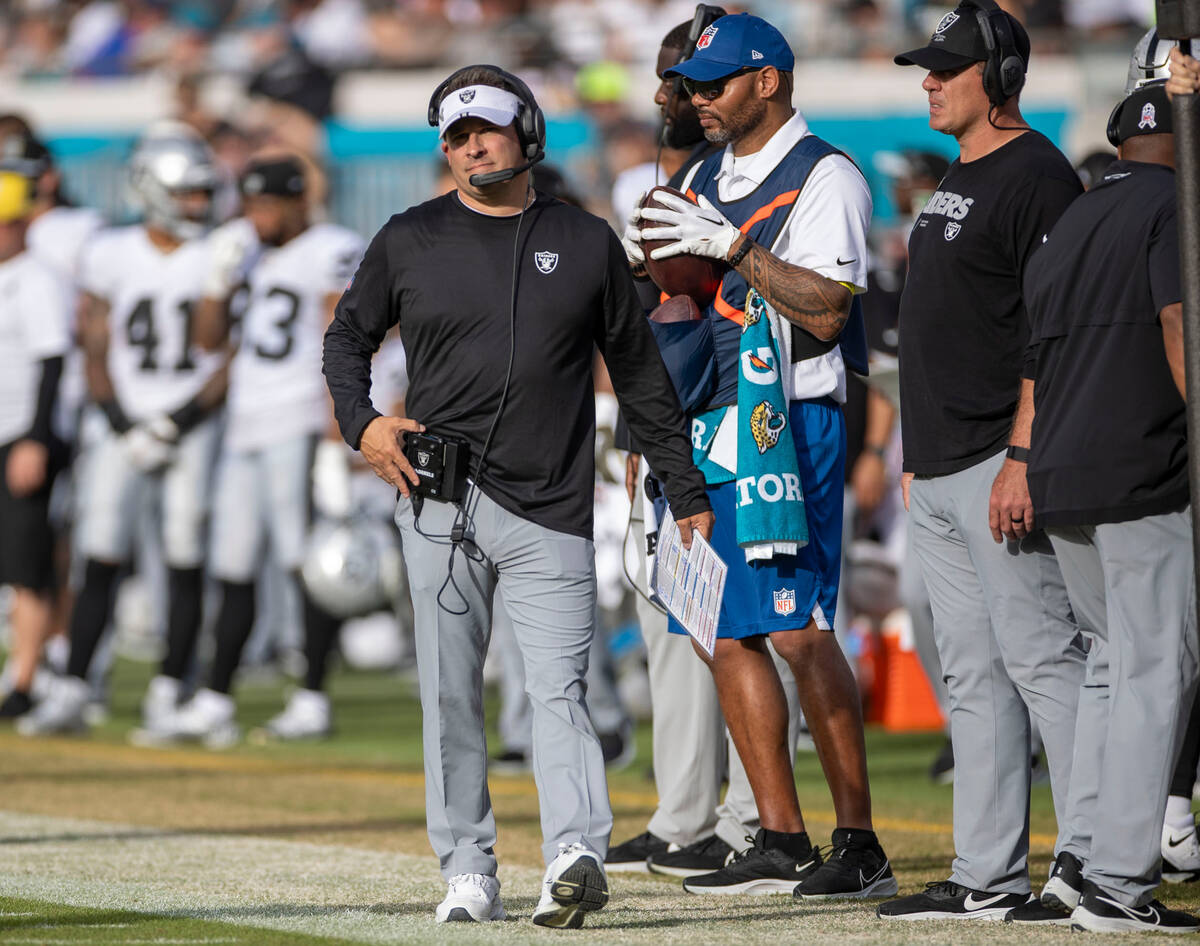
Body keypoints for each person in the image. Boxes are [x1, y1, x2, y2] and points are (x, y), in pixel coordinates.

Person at [322, 65, 712, 928]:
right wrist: (364, 426)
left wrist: (683, 487)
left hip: (553, 504)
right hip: (436, 504)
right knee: (451, 694)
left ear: (528, 132)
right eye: (456, 136)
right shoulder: (407, 236)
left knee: (560, 689)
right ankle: (467, 865)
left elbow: (641, 371)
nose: (471, 146)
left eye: (487, 129)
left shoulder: (584, 239)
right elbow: (346, 340)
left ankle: (575, 852)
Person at [631, 12, 895, 899]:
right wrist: (655, 260)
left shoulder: (825, 175)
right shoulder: (704, 168)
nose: (697, 98)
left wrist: (733, 246)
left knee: (793, 625)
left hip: (787, 419)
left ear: (768, 82)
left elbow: (826, 310)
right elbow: (679, 291)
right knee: (719, 626)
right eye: (692, 84)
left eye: (715, 84)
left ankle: (858, 838)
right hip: (708, 416)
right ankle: (779, 835)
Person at [877, 0, 1089, 921]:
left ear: (997, 78)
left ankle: (1094, 863)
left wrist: (1023, 451)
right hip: (941, 463)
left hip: (999, 457)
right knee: (970, 675)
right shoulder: (965, 174)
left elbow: (1056, 329)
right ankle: (988, 873)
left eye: (946, 67)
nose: (927, 79)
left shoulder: (1038, 175)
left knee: (1046, 661)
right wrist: (921, 457)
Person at [607, 8, 807, 883]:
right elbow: (654, 326)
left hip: (745, 423)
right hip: (680, 422)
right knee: (679, 625)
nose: (670, 93)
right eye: (669, 78)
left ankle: (742, 818)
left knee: (754, 622)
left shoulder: (747, 178)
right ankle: (688, 811)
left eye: (687, 79)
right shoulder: (692, 178)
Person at [1019, 39, 1200, 932]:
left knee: (1108, 671)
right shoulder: (1177, 206)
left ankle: (1081, 859)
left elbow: (1037, 355)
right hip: (1142, 467)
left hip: (1059, 468)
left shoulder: (1078, 217)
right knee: (1156, 670)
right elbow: (1178, 323)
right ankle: (1122, 883)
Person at [17, 122, 227, 738]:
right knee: (100, 553)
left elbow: (227, 351)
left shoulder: (218, 250)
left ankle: (171, 687)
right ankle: (77, 684)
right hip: (121, 424)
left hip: (191, 422)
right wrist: (118, 420)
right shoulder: (111, 252)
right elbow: (95, 344)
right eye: (186, 192)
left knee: (186, 557)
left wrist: (177, 420)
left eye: (200, 192)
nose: (198, 204)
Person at [149, 154, 365, 747]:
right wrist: (218, 284)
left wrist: (332, 435)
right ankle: (216, 698)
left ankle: (312, 696)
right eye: (249, 204)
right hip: (246, 422)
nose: (256, 216)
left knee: (304, 562)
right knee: (233, 564)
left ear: (298, 201)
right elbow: (208, 343)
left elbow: (339, 341)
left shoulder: (331, 247)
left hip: (296, 419)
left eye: (266, 204)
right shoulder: (245, 248)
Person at [0, 170, 72, 722]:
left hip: (20, 436)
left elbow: (51, 362)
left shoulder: (37, 279)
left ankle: (25, 679)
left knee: (27, 565)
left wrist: (35, 439)